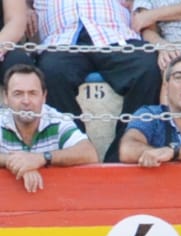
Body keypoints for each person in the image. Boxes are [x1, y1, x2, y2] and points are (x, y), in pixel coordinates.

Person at [34, 0, 163, 161]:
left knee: (147, 67)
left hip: (115, 35)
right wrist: (26, 9)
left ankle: (123, 153)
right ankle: (76, 150)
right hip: (62, 40)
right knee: (50, 72)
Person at [1, 62, 97, 192]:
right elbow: (22, 162)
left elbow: (89, 154)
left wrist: (41, 158)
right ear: (5, 98)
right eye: (18, 94)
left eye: (33, 93)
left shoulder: (56, 120)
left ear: (44, 96)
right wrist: (15, 162)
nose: (26, 101)